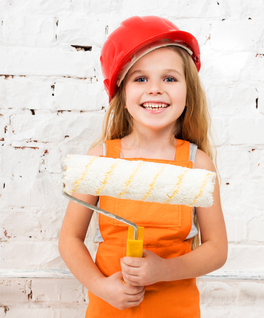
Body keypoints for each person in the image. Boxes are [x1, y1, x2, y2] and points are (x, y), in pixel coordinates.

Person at [58, 16, 228, 317]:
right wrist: (102, 287)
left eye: (170, 78)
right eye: (140, 79)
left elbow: (217, 249)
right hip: (110, 309)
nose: (155, 89)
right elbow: (69, 239)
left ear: (188, 92)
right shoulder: (101, 159)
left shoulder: (197, 163)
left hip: (176, 309)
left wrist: (163, 270)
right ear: (121, 94)